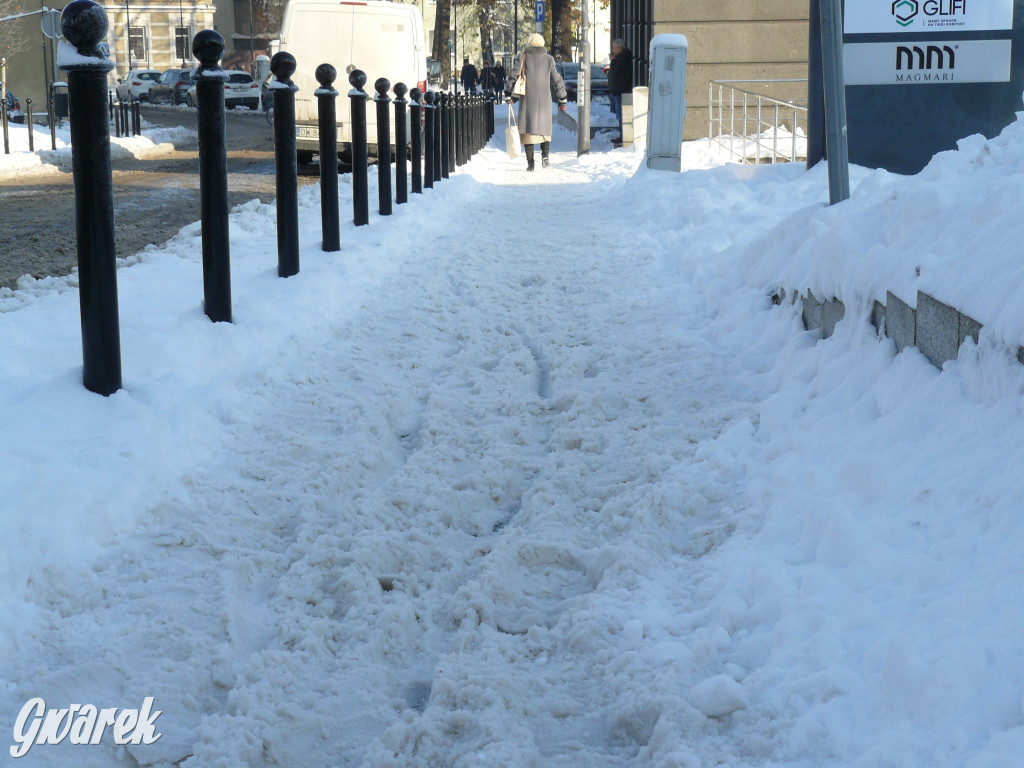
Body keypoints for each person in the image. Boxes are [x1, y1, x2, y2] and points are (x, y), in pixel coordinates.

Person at [505, 33, 567, 171]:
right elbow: (557, 79)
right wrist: (562, 98)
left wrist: (508, 93)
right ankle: (545, 158)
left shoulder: (523, 57)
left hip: (528, 99)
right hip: (545, 99)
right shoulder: (549, 59)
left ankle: (530, 163)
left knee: (528, 131)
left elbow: (514, 75)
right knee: (545, 131)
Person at [605, 38, 633, 144]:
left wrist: (613, 60)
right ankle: (622, 135)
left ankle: (623, 136)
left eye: (614, 48)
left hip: (621, 90)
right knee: (619, 115)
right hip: (617, 90)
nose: (613, 50)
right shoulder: (620, 58)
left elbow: (616, 71)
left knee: (621, 115)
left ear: (620, 48)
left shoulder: (623, 58)